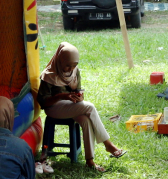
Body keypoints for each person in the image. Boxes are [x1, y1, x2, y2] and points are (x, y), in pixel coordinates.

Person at [39, 43, 126, 172]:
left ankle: (89, 161)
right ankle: (108, 144)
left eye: (74, 65)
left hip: (71, 106)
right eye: (68, 65)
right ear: (59, 60)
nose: (71, 68)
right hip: (54, 108)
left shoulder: (75, 71)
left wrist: (79, 98)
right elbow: (43, 102)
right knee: (90, 107)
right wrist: (62, 96)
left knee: (85, 119)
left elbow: (79, 91)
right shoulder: (49, 74)